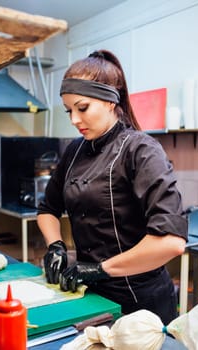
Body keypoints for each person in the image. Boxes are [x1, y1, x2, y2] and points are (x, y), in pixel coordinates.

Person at [37, 49, 188, 324]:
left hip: (142, 305)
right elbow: (48, 208)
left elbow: (171, 242)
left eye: (82, 108)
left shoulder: (141, 150)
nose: (74, 120)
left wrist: (99, 269)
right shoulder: (74, 151)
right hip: (91, 297)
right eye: (69, 111)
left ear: (110, 100)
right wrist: (55, 246)